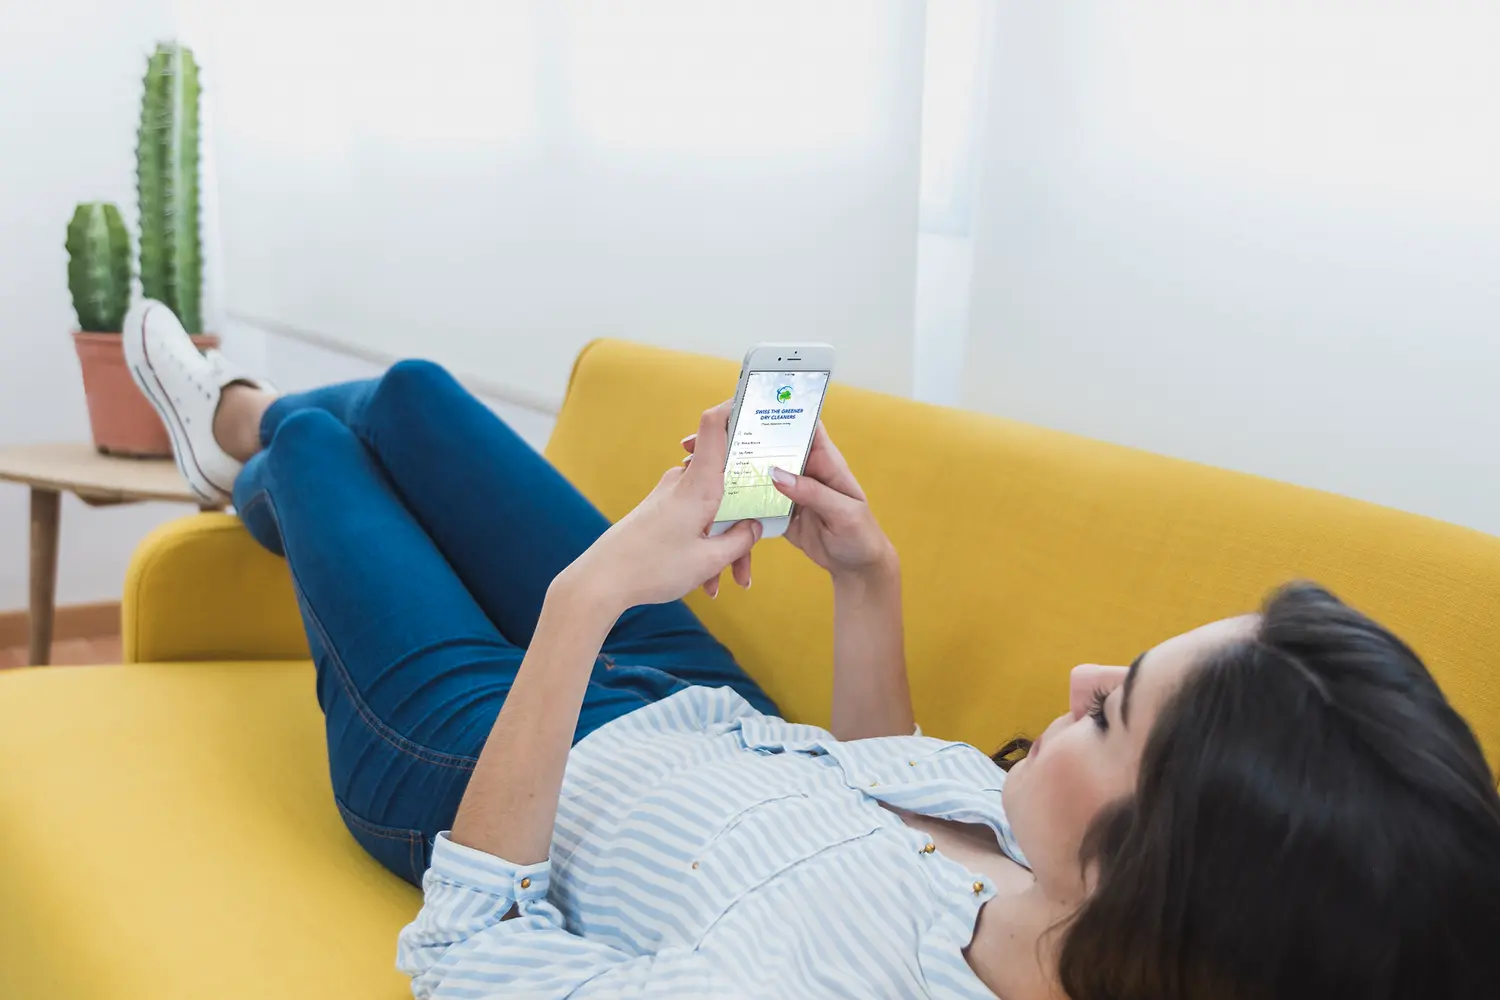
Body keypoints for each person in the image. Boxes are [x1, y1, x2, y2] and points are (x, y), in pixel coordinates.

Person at [124, 299, 1500, 1000]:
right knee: (415, 399)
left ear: (1162, 883)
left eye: (1117, 712)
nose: (1081, 680)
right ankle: (258, 470)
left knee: (318, 438)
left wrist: (585, 599)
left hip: (492, 756)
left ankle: (238, 436)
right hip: (706, 700)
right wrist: (866, 581)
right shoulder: (1056, 881)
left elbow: (468, 957)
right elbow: (867, 784)